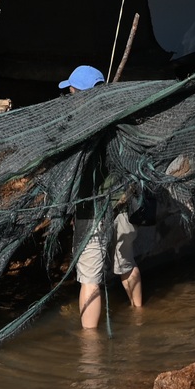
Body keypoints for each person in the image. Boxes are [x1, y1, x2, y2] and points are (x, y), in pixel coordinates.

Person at [58, 65, 145, 329]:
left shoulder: (75, 127)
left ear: (80, 93)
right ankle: (141, 316)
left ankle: (90, 350)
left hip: (91, 211)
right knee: (127, 264)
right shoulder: (121, 121)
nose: (69, 94)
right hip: (123, 203)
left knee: (90, 279)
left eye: (72, 90)